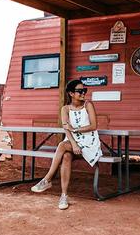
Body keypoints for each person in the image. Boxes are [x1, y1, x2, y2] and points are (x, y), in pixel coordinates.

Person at [31, 79, 102, 210]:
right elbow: (66, 130)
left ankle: (47, 179)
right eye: (79, 91)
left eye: (84, 90)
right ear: (71, 93)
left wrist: (76, 129)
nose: (83, 93)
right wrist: (74, 144)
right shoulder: (65, 109)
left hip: (89, 142)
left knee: (62, 146)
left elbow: (93, 125)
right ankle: (64, 196)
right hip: (73, 142)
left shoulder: (88, 105)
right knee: (66, 157)